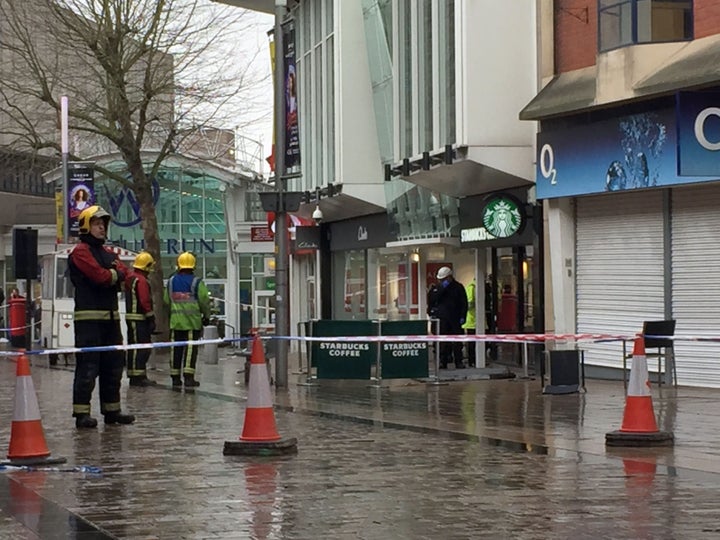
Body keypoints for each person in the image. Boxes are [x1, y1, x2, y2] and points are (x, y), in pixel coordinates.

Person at [68, 205, 135, 428]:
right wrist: (114, 274)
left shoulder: (108, 253)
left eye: (103, 224)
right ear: (87, 226)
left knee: (113, 367)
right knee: (88, 368)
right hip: (89, 322)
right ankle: (81, 414)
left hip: (110, 320)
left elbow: (126, 275)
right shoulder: (80, 251)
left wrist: (113, 275)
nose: (101, 228)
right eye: (97, 224)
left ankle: (112, 411)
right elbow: (100, 276)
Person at [164, 251, 211, 388]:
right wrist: (206, 316)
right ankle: (189, 378)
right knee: (190, 350)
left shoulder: (171, 281)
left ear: (178, 265)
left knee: (175, 350)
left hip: (175, 322)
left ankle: (175, 378)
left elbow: (166, 301)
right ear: (193, 266)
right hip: (192, 322)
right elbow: (204, 301)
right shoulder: (197, 282)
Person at [125, 251, 157, 387]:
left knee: (134, 347)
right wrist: (151, 318)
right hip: (139, 319)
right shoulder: (142, 280)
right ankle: (139, 376)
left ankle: (133, 374)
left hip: (131, 318)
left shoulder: (131, 278)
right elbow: (144, 300)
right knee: (143, 348)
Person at [434, 266, 468, 369]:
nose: (442, 281)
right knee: (443, 342)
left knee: (457, 342)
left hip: (455, 319)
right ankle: (443, 361)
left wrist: (463, 316)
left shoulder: (458, 287)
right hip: (443, 319)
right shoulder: (438, 288)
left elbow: (464, 303)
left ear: (450, 277)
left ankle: (458, 361)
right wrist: (442, 289)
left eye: (444, 279)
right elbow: (434, 300)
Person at [462, 278, 477, 367]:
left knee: (473, 343)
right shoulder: (472, 288)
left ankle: (473, 360)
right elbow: (470, 304)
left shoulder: (471, 287)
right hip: (472, 320)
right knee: (472, 343)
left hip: (474, 320)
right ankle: (472, 360)